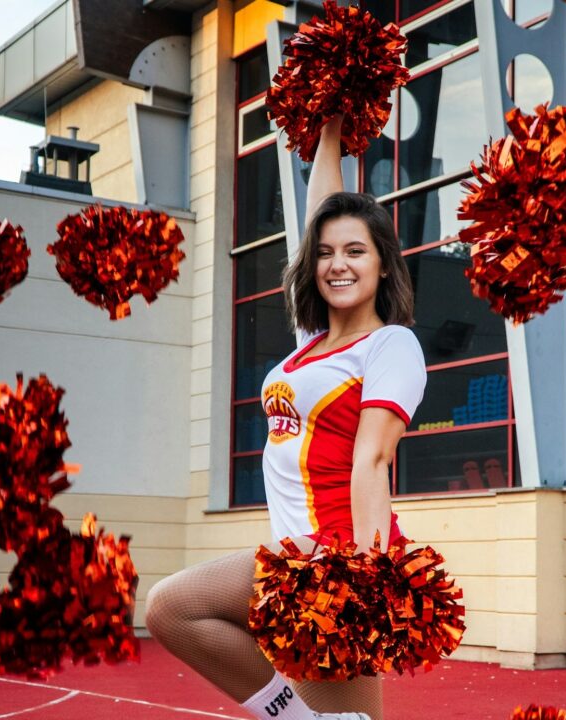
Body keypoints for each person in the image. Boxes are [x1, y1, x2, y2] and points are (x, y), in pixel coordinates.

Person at [145, 114, 427, 720]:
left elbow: (374, 460)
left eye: (356, 251)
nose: (337, 264)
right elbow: (319, 209)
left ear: (383, 264)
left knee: (172, 605)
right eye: (325, 254)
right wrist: (331, 127)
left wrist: (367, 578)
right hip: (297, 568)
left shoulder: (391, 345)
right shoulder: (311, 342)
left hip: (334, 554)